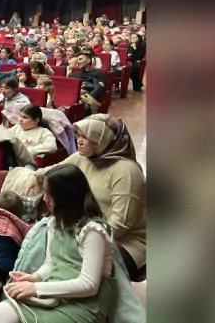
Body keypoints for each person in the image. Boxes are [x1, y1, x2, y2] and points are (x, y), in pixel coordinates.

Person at [0, 164, 116, 323]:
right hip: (54, 292)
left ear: (65, 198)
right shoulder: (54, 223)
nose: (44, 198)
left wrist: (36, 288)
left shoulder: (93, 232)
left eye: (49, 194)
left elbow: (89, 285)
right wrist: (33, 278)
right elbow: (50, 264)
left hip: (85, 304)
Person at [22, 114, 146, 275]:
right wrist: (35, 175)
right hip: (87, 230)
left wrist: (81, 241)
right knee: (42, 247)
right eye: (78, 136)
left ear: (102, 139)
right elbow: (57, 169)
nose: (78, 141)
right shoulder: (85, 158)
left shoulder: (126, 171)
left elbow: (120, 224)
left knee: (65, 267)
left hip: (125, 243)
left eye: (85, 137)